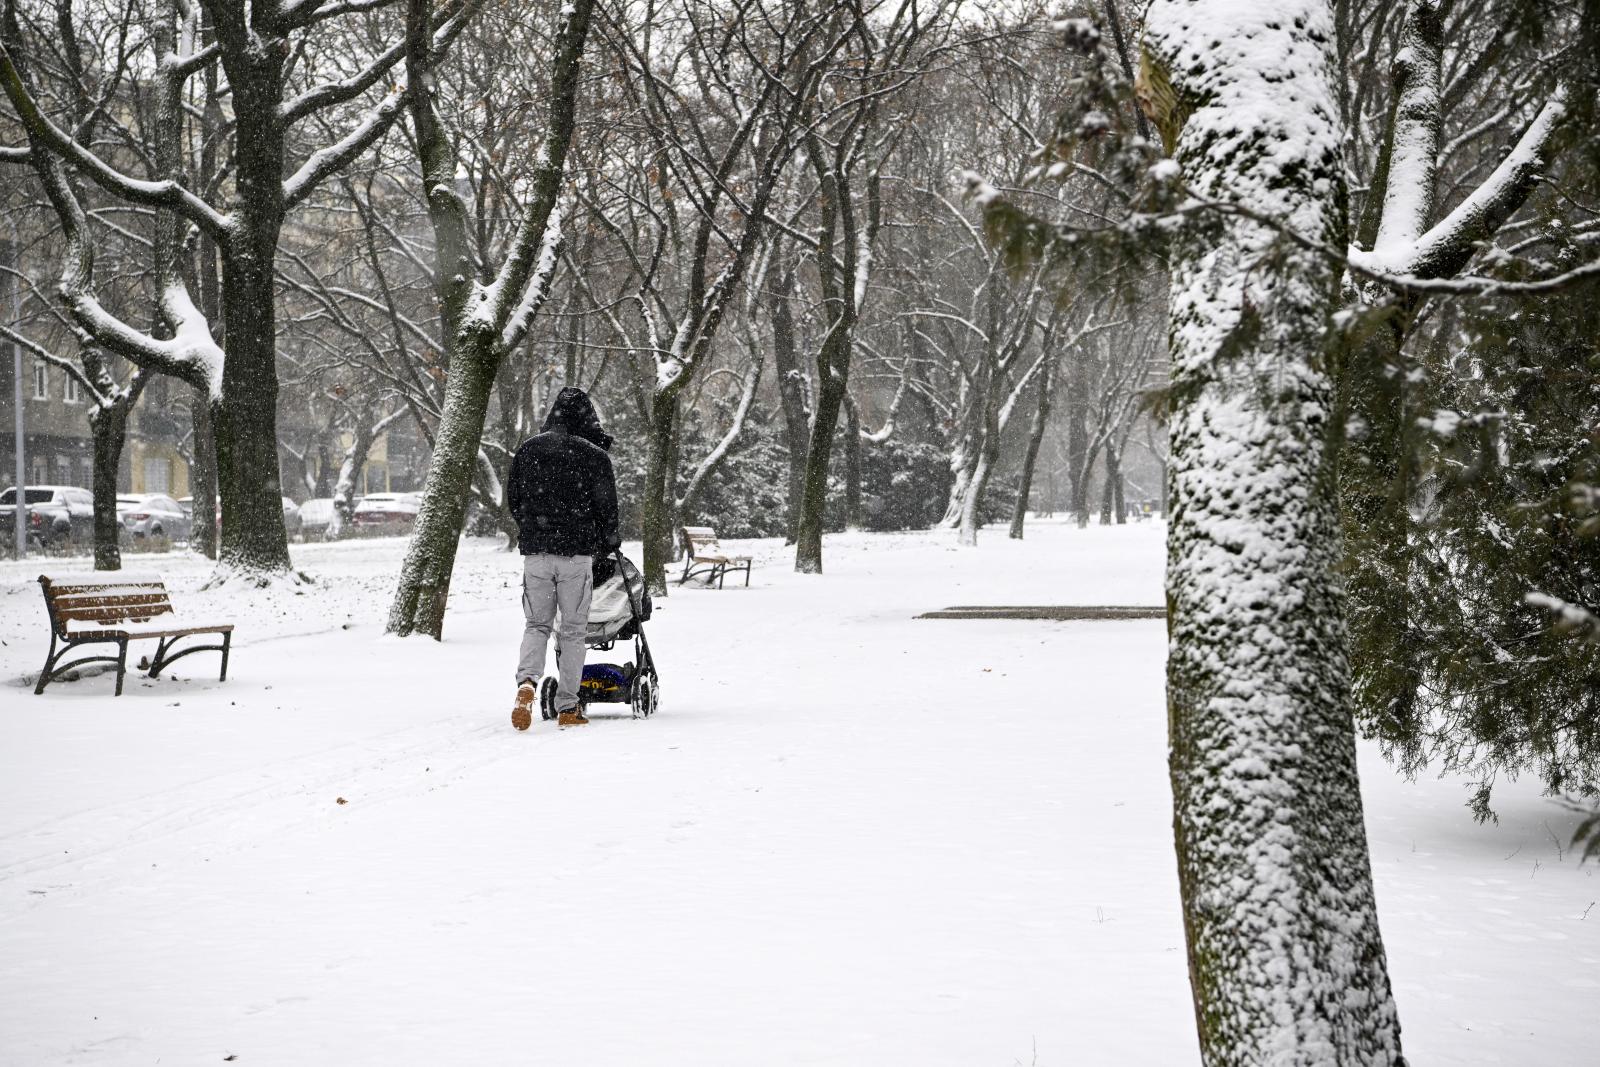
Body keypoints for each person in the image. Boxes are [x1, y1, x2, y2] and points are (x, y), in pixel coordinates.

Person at [507, 387, 620, 730]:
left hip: (537, 555)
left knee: (537, 624)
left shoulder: (527, 450)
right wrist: (605, 541)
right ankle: (569, 707)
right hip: (576, 555)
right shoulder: (593, 455)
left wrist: (535, 528)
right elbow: (607, 511)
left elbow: (513, 500)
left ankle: (526, 685)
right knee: (572, 631)